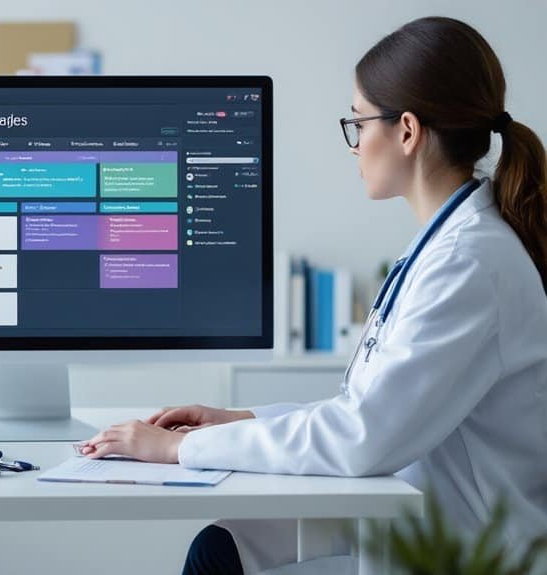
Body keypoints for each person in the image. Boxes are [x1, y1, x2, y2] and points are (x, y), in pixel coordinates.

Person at [78, 16, 547, 574]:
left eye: (358, 123)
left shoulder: (469, 263)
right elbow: (365, 412)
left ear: (406, 131)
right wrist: (236, 419)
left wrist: (176, 448)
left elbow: (362, 437)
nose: (354, 145)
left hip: (467, 550)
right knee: (221, 545)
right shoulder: (443, 248)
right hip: (417, 509)